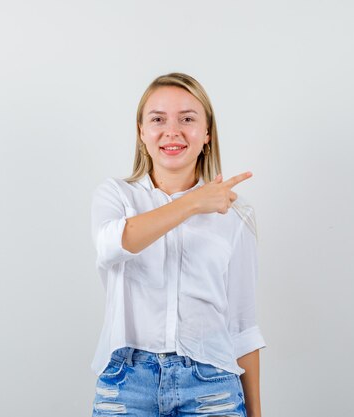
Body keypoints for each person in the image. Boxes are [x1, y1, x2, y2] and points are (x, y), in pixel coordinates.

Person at [90, 72, 267, 417]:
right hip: (126, 384)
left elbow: (243, 326)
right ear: (142, 133)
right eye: (158, 119)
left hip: (211, 383)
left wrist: (257, 413)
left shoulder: (236, 214)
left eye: (187, 119)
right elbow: (114, 244)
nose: (172, 131)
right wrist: (194, 203)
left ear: (206, 134)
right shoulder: (115, 196)